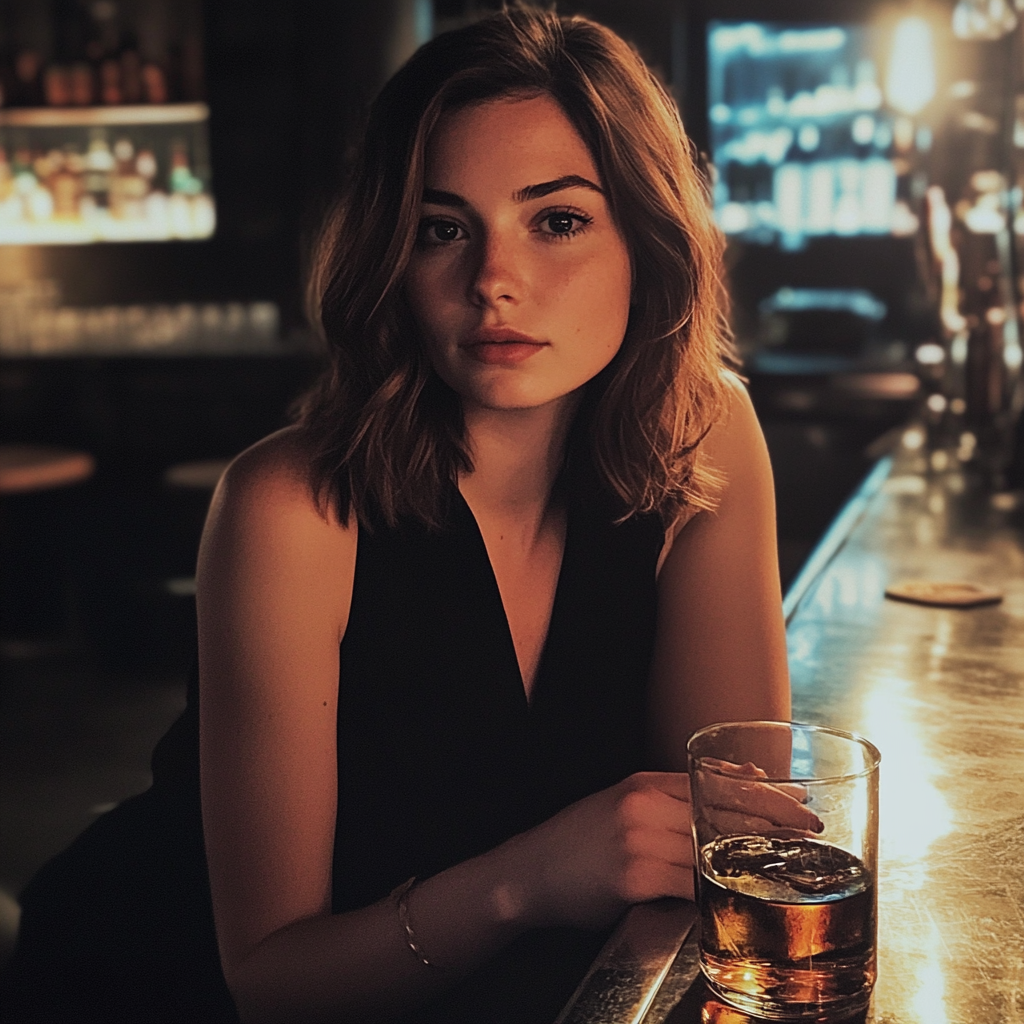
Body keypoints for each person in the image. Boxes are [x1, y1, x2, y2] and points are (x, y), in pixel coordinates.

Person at [1, 8, 806, 1023]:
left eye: (556, 219)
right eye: (441, 228)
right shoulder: (289, 507)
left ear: (644, 239)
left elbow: (727, 840)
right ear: (393, 256)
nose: (492, 281)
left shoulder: (708, 435)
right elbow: (271, 980)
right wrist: (531, 876)